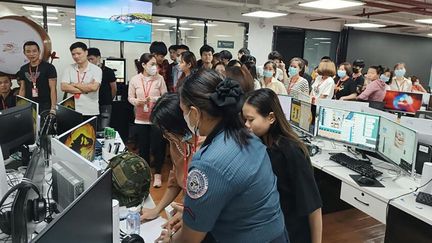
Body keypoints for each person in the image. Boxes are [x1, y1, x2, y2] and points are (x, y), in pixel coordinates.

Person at [156, 69, 287, 243]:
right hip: (276, 232)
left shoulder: (207, 163)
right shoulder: (248, 136)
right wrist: (194, 217)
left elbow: (189, 240)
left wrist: (171, 240)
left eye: (183, 111)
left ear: (194, 113)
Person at [243, 88, 323, 243]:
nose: (246, 125)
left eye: (251, 120)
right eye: (244, 120)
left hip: (291, 231)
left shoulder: (291, 152)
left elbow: (313, 206)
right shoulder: (258, 143)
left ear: (271, 117)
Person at [140, 93, 202, 221]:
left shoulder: (204, 148)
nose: (164, 136)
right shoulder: (176, 144)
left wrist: (188, 213)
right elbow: (175, 183)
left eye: (167, 131)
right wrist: (156, 210)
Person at [128, 53, 168, 188]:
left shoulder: (159, 79)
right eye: (152, 64)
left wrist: (155, 99)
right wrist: (136, 101)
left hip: (156, 119)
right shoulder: (135, 79)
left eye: (155, 64)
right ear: (143, 65)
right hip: (140, 119)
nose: (154, 67)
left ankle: (158, 174)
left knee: (158, 147)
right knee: (143, 148)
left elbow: (165, 97)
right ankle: (146, 173)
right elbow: (130, 97)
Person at [61, 42, 102, 120]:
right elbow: (63, 87)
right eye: (73, 54)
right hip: (72, 109)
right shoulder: (69, 68)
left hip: (90, 111)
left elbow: (94, 88)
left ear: (86, 52)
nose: (76, 56)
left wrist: (74, 84)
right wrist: (86, 89)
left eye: (79, 53)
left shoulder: (96, 69)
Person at [17, 41, 57, 113]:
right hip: (28, 105)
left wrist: (53, 108)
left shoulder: (49, 67)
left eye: (34, 51)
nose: (31, 54)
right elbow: (22, 89)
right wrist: (19, 107)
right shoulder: (23, 69)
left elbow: (53, 89)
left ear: (39, 51)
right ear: (24, 53)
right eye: (28, 51)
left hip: (45, 105)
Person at [87, 48, 117, 131]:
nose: (90, 61)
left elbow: (114, 88)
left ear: (99, 58)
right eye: (88, 59)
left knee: (104, 127)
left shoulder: (108, 71)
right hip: (91, 103)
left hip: (105, 103)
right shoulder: (87, 72)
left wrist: (109, 100)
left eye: (92, 59)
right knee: (92, 128)